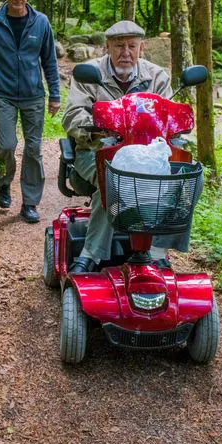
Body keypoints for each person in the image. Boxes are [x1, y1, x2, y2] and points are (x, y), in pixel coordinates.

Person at [61, 20, 175, 274]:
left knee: (182, 180)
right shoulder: (88, 74)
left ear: (142, 47)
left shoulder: (157, 76)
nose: (126, 52)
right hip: (97, 150)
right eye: (119, 46)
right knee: (112, 180)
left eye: (132, 46)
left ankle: (156, 252)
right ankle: (91, 254)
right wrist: (97, 126)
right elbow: (71, 116)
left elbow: (170, 116)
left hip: (146, 154)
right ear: (107, 48)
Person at [0, 0, 61, 224]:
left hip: (33, 95)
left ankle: (30, 203)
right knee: (7, 145)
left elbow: (50, 61)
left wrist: (55, 94)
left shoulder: (41, 22)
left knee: (33, 149)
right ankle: (3, 182)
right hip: (2, 94)